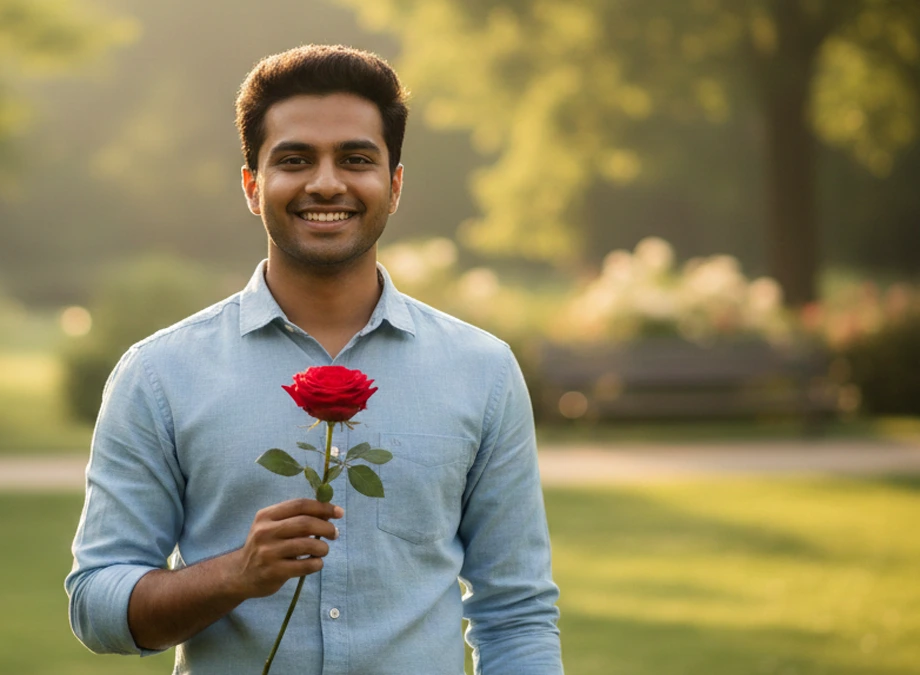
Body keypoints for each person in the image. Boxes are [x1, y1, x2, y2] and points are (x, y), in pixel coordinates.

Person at [66, 44, 563, 675]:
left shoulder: (482, 371)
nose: (326, 182)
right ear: (252, 186)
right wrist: (234, 575)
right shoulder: (159, 375)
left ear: (396, 183)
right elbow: (95, 606)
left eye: (356, 159)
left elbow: (516, 614)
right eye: (295, 160)